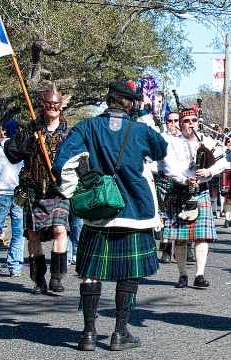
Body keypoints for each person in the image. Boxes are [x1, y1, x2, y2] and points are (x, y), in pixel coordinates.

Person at [53, 80, 168, 351]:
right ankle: (120, 333)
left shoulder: (86, 127)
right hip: (135, 211)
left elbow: (62, 163)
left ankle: (88, 334)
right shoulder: (141, 130)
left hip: (98, 210)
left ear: (107, 100)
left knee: (91, 272)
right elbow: (161, 150)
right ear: (130, 104)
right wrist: (143, 117)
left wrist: (75, 190)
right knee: (128, 273)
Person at [4, 84, 72, 294]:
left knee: (60, 229)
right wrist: (28, 133)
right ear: (42, 104)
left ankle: (57, 277)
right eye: (48, 104)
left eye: (56, 104)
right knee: (33, 235)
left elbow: (80, 159)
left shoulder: (69, 132)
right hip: (33, 189)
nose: (52, 107)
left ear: (61, 106)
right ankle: (38, 279)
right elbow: (12, 153)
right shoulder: (30, 129)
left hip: (58, 190)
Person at [160, 106, 223, 289]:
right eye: (186, 121)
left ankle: (199, 275)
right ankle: (182, 275)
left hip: (201, 190)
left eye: (193, 121)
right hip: (180, 190)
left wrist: (209, 171)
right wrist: (184, 179)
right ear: (180, 124)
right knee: (180, 238)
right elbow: (168, 167)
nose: (190, 124)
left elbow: (222, 161)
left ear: (198, 122)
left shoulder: (208, 141)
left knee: (201, 237)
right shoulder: (172, 143)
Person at [0, 120, 24, 278]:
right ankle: (15, 266)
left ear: (5, 132)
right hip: (19, 194)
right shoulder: (23, 149)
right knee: (18, 231)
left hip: (0, 192)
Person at [155, 111, 181, 263]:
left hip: (184, 182)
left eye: (176, 120)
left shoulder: (186, 139)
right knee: (165, 216)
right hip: (165, 179)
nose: (173, 123)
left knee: (183, 215)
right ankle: (166, 249)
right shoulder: (162, 138)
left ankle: (183, 248)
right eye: (170, 121)